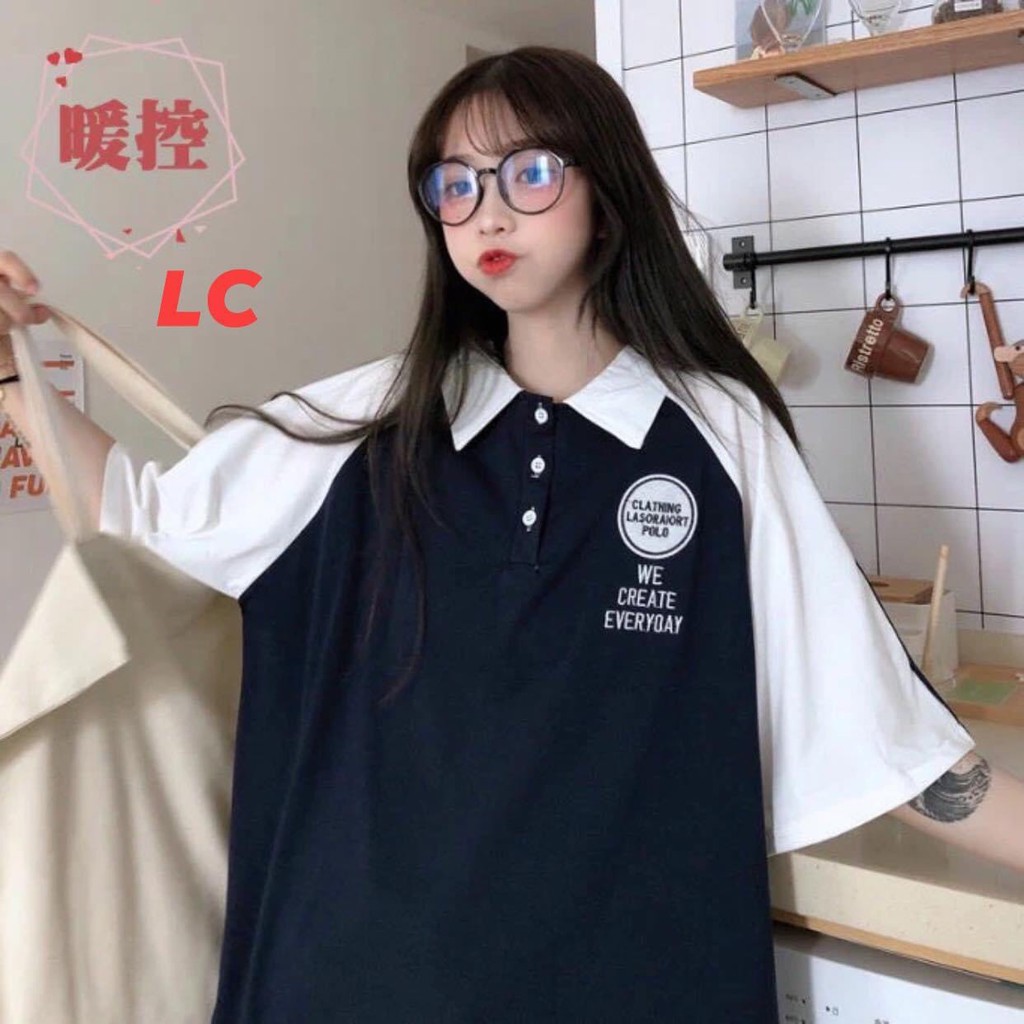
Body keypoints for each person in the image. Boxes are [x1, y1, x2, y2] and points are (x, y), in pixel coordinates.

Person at [0, 44, 1022, 1023]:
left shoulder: (719, 437)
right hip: (346, 986)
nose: (485, 210)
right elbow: (131, 518)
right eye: (455, 185)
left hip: (636, 989)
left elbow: (886, 736)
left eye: (527, 173)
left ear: (607, 193)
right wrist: (12, 372)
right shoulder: (363, 424)